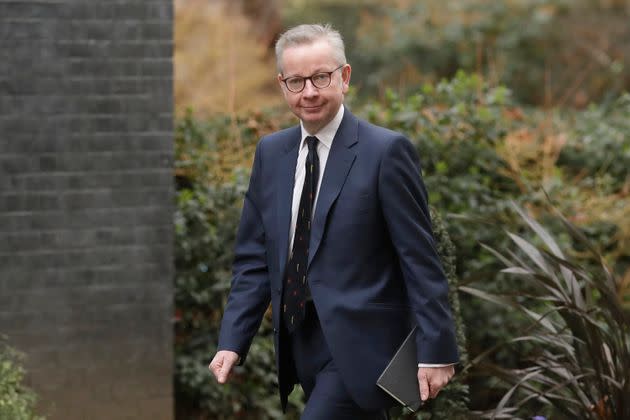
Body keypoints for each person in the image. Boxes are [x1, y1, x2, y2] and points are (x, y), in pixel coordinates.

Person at [209, 23, 459, 419]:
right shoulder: (271, 154)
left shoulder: (385, 152)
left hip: (365, 347)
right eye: (296, 81)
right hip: (298, 343)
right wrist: (231, 342)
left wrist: (438, 351)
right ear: (282, 85)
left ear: (344, 77)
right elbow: (255, 260)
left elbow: (419, 258)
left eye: (320, 77)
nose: (309, 91)